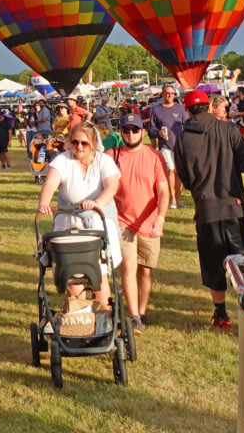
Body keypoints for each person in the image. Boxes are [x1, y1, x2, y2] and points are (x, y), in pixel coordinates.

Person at [174, 89, 244, 332]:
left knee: (213, 264)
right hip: (234, 207)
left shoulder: (182, 139)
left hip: (206, 210)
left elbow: (185, 178)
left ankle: (221, 315)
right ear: (210, 108)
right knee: (243, 259)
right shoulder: (229, 129)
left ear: (188, 111)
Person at [35, 121, 122, 307]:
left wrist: (97, 203)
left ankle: (103, 317)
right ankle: (80, 318)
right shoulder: (62, 160)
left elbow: (111, 186)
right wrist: (44, 203)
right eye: (75, 142)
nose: (79, 147)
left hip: (97, 221)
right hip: (68, 220)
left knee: (99, 274)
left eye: (84, 143)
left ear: (93, 143)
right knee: (73, 276)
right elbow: (50, 183)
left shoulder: (103, 161)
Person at [107, 114, 168, 331]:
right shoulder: (112, 155)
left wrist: (160, 219)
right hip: (122, 221)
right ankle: (133, 316)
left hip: (150, 223)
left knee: (146, 270)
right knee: (129, 266)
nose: (130, 134)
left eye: (135, 130)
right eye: (126, 130)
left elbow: (163, 191)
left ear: (142, 132)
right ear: (120, 132)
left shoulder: (154, 156)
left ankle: (142, 313)